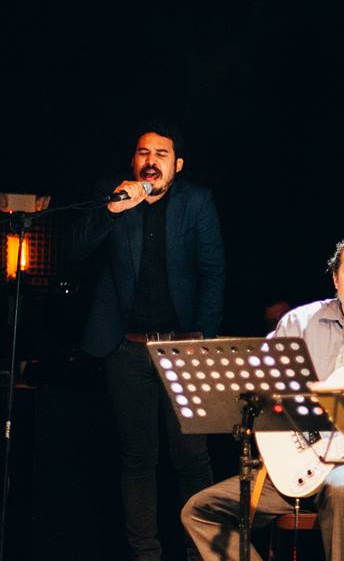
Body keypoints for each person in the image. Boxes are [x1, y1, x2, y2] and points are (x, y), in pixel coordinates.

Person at [182, 232, 344, 561]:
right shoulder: (298, 322)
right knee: (201, 509)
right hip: (298, 462)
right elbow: (263, 392)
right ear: (336, 279)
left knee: (341, 483)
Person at [68, 123, 226, 561]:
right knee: (137, 460)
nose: (150, 160)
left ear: (177, 165)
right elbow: (75, 250)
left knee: (192, 458)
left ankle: (201, 553)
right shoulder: (113, 197)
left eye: (161, 153)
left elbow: (213, 274)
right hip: (129, 350)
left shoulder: (197, 202)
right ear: (134, 161)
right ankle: (145, 556)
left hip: (184, 350)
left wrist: (203, 341)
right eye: (143, 152)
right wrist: (110, 211)